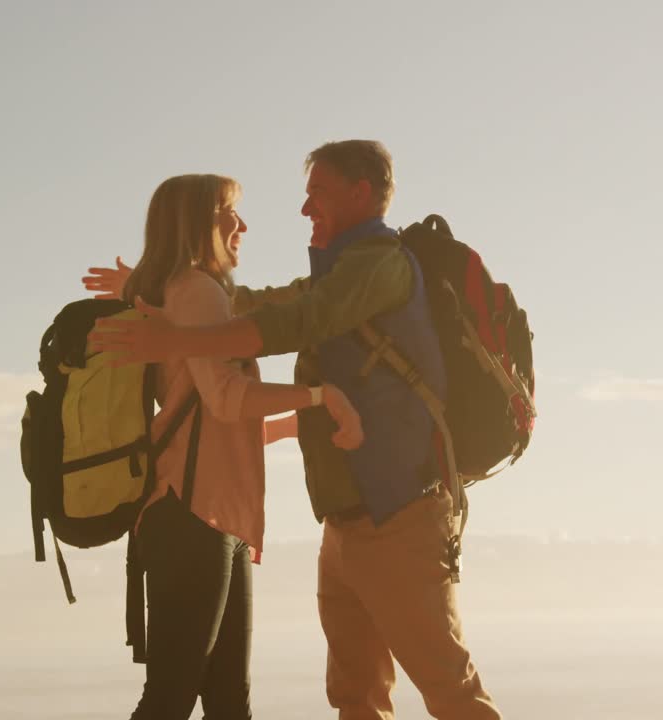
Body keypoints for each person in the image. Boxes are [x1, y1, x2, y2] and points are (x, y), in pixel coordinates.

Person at [87, 143, 501, 720]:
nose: (305, 208)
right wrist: (152, 286)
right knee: (355, 697)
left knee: (448, 691)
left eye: (319, 193)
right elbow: (244, 307)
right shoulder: (331, 274)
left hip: (399, 514)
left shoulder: (379, 265)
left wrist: (178, 334)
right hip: (343, 521)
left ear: (361, 193)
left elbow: (290, 323)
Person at [101, 173, 364, 720]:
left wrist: (294, 423)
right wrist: (319, 395)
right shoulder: (195, 289)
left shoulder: (190, 290)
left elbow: (213, 423)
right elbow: (227, 398)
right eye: (228, 213)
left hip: (213, 518)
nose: (241, 225)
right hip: (192, 517)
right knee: (173, 698)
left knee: (225, 704)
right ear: (196, 223)